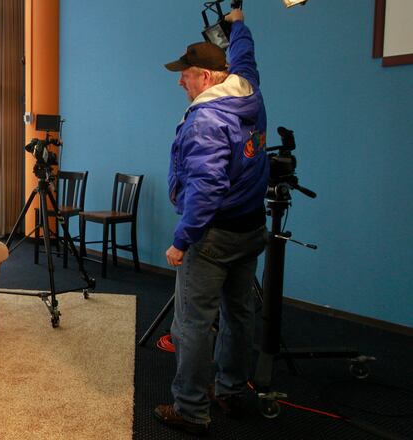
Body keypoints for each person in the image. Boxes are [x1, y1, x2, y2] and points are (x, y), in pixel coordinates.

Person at [153, 9, 269, 436]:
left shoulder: (205, 120)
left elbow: (207, 188)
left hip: (212, 235)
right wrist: (237, 24)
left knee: (192, 323)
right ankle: (232, 390)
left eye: (184, 75)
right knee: (238, 314)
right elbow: (245, 56)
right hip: (250, 228)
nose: (179, 82)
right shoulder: (247, 91)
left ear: (204, 77)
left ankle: (190, 409)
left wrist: (182, 241)